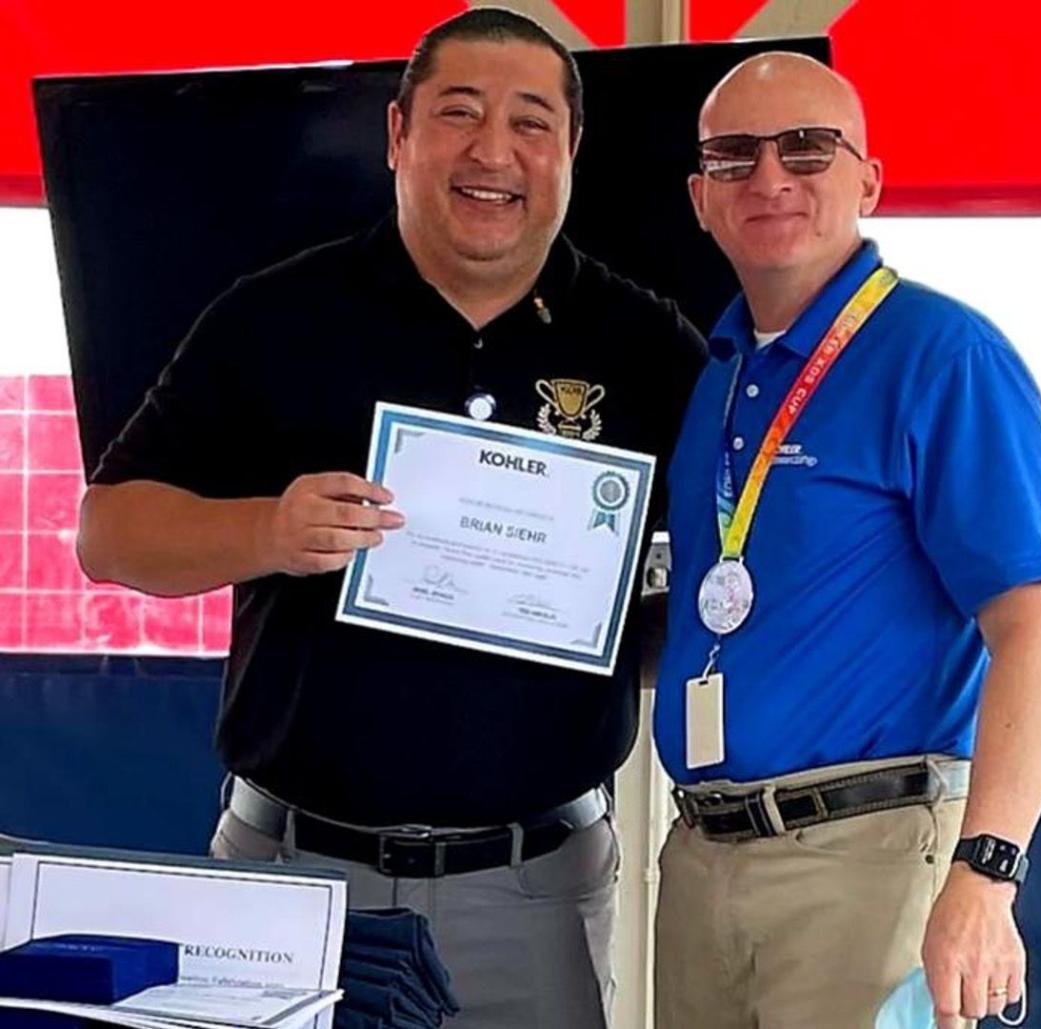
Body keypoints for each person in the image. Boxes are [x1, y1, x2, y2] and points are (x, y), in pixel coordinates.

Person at [75, 9, 705, 1028]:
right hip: (294, 876)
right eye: (459, 113)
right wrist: (267, 532)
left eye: (531, 122)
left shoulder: (650, 346)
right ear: (399, 133)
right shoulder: (275, 316)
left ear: (571, 152)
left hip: (536, 888)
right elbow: (105, 533)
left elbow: (728, 574)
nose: (493, 151)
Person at [652, 52, 1041, 1029]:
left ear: (869, 180)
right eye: (734, 156)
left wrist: (988, 874)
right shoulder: (715, 372)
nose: (770, 178)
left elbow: (1035, 633)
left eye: (807, 148)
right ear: (699, 199)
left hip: (868, 861)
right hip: (704, 859)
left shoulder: (942, 355)